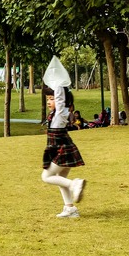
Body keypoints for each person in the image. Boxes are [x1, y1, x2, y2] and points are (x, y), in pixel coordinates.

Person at [41, 86, 87, 219]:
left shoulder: (61, 112)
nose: (49, 102)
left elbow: (61, 99)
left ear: (61, 100)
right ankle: (70, 208)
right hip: (61, 149)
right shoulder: (55, 114)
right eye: (47, 99)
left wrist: (58, 85)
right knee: (61, 179)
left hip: (62, 150)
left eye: (52, 99)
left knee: (46, 177)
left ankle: (75, 184)